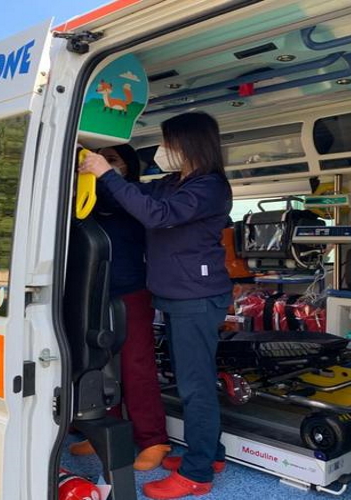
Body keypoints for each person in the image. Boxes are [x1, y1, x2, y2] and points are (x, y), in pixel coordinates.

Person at [79, 111, 232, 500]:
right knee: (190, 380)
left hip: (196, 298)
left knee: (196, 387)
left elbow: (157, 216)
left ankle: (198, 474)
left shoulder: (209, 187)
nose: (162, 151)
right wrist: (93, 173)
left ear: (188, 144)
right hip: (179, 296)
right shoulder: (175, 183)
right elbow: (138, 198)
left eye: (168, 143)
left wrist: (106, 171)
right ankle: (210, 454)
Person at [69, 144, 171, 471]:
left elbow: (114, 199)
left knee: (136, 367)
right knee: (97, 365)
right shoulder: (86, 197)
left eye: (112, 159)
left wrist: (102, 173)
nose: (101, 164)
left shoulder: (132, 195)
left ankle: (153, 439)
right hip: (92, 292)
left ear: (127, 167)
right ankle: (106, 430)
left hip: (131, 293)